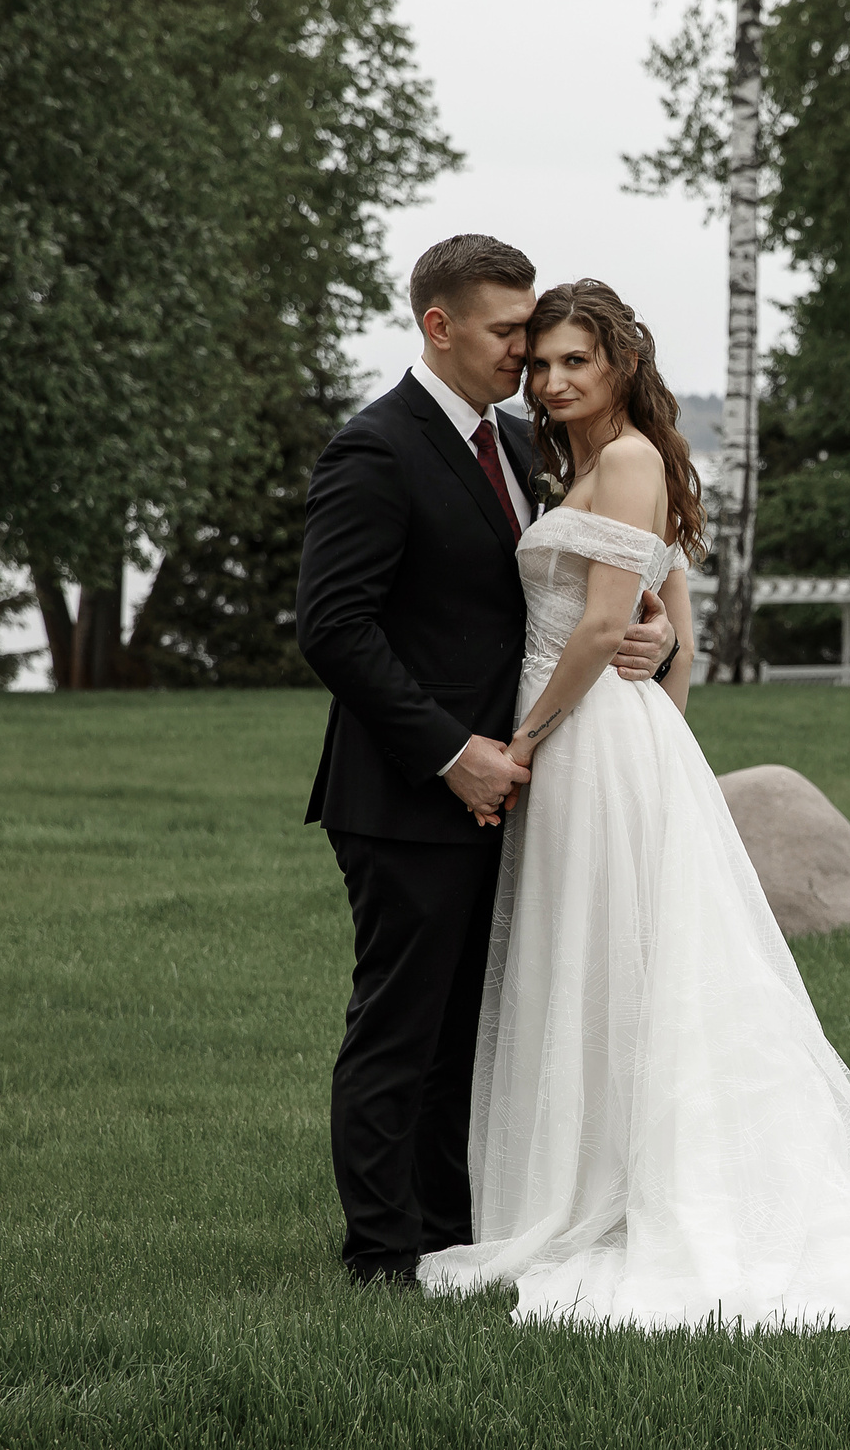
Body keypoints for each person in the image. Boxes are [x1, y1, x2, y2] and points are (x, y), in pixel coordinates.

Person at [415, 279, 850, 1330]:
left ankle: (638, 1188)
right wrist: (654, 705)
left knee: (621, 954)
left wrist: (528, 741)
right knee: (595, 953)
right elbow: (675, 634)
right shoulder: (582, 464)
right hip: (603, 733)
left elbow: (616, 631)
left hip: (584, 734)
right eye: (544, 362)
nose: (553, 381)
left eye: (577, 363)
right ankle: (581, 1172)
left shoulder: (637, 459)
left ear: (620, 366)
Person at [296, 236, 677, 1288]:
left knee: (479, 1026)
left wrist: (660, 638)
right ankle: (380, 1253)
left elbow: (602, 584)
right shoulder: (377, 448)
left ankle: (451, 1231)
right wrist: (450, 751)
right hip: (407, 790)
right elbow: (332, 628)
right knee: (401, 1025)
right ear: (439, 326)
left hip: (517, 786)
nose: (526, 354)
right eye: (509, 332)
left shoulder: (519, 441)